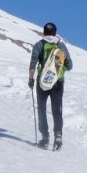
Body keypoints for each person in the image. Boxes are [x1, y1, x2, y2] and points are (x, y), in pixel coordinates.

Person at [28, 22, 73, 150]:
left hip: (42, 82)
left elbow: (33, 64)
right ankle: (58, 136)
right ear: (55, 33)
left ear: (44, 32)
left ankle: (45, 137)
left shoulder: (39, 45)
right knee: (56, 110)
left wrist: (31, 79)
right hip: (58, 82)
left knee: (41, 109)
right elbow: (70, 66)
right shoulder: (61, 45)